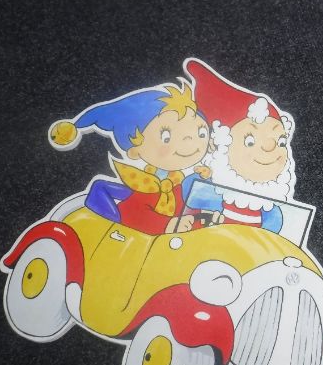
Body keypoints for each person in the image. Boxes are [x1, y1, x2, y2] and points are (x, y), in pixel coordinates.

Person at [49, 79, 212, 235]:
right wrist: (168, 224)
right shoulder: (144, 184)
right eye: (166, 137)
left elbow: (190, 208)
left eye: (201, 133)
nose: (190, 141)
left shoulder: (178, 184)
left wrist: (206, 217)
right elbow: (135, 215)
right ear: (135, 150)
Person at [183, 59, 295, 233]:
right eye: (250, 141)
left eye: (281, 141)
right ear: (221, 145)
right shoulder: (205, 191)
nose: (270, 148)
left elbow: (273, 239)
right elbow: (187, 201)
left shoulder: (271, 212)